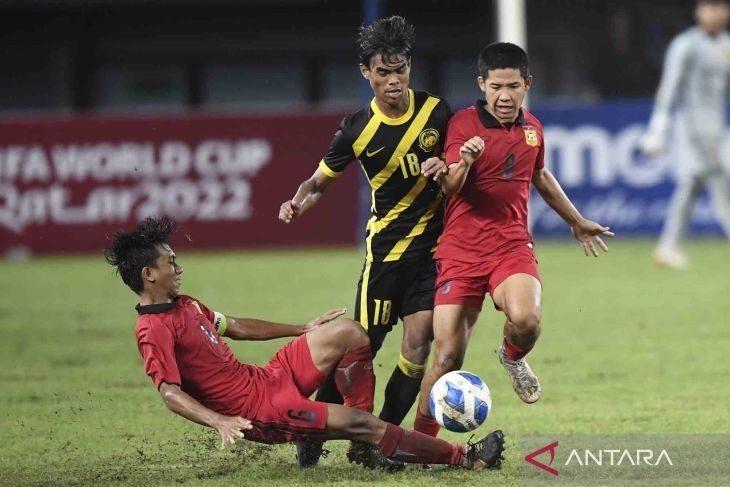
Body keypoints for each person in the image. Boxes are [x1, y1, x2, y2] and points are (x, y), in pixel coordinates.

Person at [104, 216, 505, 472]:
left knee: (350, 332)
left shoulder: (185, 304)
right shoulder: (152, 330)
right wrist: (220, 421)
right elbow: (170, 393)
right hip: (259, 410)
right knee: (364, 425)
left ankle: (361, 447)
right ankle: (464, 458)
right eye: (169, 262)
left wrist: (301, 329)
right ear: (148, 274)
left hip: (265, 377)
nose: (178, 267)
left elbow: (236, 326)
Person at [413, 43, 614, 437]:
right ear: (482, 84)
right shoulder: (463, 124)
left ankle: (511, 356)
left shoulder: (532, 129)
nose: (504, 96)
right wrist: (466, 160)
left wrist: (576, 221)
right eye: (496, 87)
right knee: (447, 358)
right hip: (461, 252)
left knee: (526, 320)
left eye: (513, 86)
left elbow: (540, 175)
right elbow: (451, 187)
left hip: (511, 246)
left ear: (527, 84)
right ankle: (420, 443)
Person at [278, 16, 452, 464]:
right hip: (384, 259)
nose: (393, 81)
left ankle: (379, 441)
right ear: (365, 73)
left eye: (400, 70)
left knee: (418, 345)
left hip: (429, 256)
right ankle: (312, 430)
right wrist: (297, 202)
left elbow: (460, 168)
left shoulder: (437, 113)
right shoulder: (356, 129)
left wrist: (449, 168)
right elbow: (318, 182)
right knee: (361, 348)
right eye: (383, 72)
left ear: (409, 66)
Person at [641, 0, 730, 269]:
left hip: (716, 124)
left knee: (692, 185)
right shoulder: (686, 44)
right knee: (721, 182)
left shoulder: (726, 44)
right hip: (693, 126)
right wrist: (658, 128)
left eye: (722, 7)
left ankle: (667, 246)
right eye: (711, 6)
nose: (717, 13)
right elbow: (669, 86)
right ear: (698, 11)